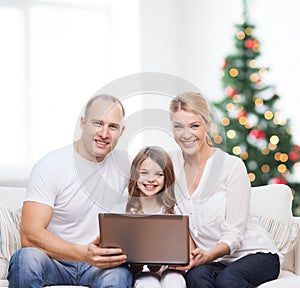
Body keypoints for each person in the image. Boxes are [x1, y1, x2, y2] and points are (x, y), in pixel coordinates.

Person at [8, 94, 133, 288]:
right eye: (98, 123)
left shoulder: (124, 165)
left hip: (99, 267)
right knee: (26, 258)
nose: (104, 133)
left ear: (121, 131)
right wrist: (84, 254)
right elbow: (29, 235)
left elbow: (159, 186)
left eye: (113, 126)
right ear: (82, 123)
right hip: (55, 261)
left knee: (119, 274)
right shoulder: (50, 165)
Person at [169, 92, 281, 288]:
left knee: (228, 280)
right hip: (213, 260)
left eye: (194, 126)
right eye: (179, 127)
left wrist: (209, 254)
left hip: (254, 254)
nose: (186, 135)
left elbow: (234, 232)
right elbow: (174, 217)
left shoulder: (231, 166)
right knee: (195, 278)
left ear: (208, 125)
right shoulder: (170, 164)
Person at [125, 146, 186, 288]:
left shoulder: (174, 209)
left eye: (158, 174)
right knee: (147, 283)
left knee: (174, 281)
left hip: (170, 269)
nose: (151, 179)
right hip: (141, 271)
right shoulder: (127, 210)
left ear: (167, 178)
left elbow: (186, 250)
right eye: (144, 173)